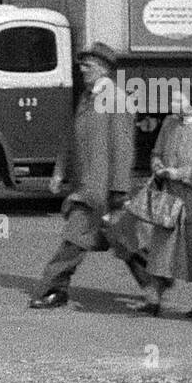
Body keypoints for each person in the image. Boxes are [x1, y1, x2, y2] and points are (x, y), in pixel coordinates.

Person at [28, 43, 148, 309]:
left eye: (88, 64)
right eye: (82, 63)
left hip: (103, 191)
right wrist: (59, 172)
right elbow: (70, 139)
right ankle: (155, 285)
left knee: (76, 240)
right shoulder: (87, 98)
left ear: (104, 69)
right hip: (86, 188)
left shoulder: (117, 100)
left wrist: (118, 191)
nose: (82, 68)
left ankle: (53, 289)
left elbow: (123, 147)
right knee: (123, 242)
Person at [138, 89, 192, 318]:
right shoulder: (169, 123)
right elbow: (156, 152)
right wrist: (157, 166)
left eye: (179, 99)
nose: (173, 103)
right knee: (162, 246)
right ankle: (154, 299)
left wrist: (179, 174)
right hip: (171, 197)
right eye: (172, 99)